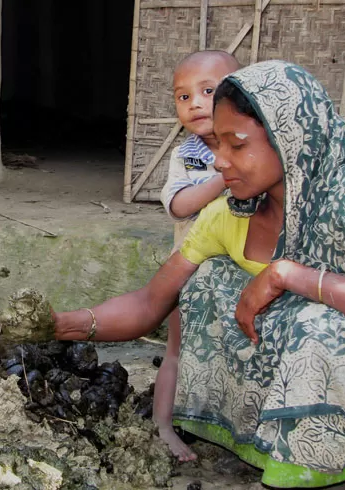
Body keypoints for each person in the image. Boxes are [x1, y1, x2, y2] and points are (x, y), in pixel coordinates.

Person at [52, 60, 345, 489]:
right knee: (208, 282)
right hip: (316, 378)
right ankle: (277, 440)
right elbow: (150, 302)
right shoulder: (230, 211)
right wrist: (62, 325)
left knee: (317, 322)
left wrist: (287, 273)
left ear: (290, 139)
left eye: (236, 145)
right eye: (217, 145)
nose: (218, 162)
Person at [155, 49, 239, 462]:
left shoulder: (253, 146)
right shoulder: (185, 154)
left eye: (208, 91)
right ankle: (164, 425)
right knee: (177, 347)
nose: (195, 104)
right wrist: (226, 178)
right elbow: (179, 206)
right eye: (183, 96)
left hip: (238, 272)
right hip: (187, 267)